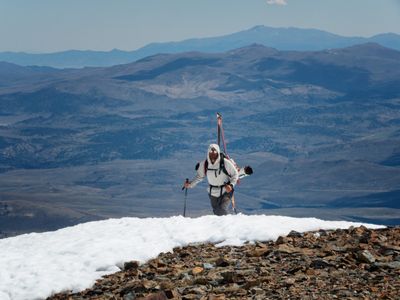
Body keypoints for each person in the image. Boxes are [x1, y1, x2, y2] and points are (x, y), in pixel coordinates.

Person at [184, 144, 239, 215]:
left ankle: (229, 223)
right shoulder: (205, 164)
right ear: (208, 153)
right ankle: (224, 225)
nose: (213, 154)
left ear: (218, 153)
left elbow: (235, 174)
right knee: (216, 211)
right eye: (211, 152)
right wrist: (190, 185)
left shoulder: (225, 163)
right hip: (212, 192)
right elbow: (199, 176)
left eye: (215, 153)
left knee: (221, 210)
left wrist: (231, 185)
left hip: (226, 190)